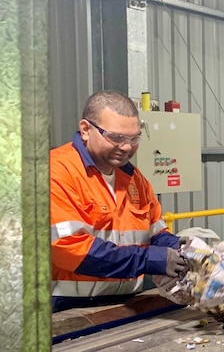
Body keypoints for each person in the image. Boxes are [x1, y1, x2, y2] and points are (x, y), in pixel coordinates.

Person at [50, 90, 187, 312]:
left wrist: (183, 250)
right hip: (68, 309)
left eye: (134, 139)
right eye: (116, 137)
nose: (126, 147)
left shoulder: (134, 179)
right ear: (86, 130)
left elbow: (155, 233)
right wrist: (148, 260)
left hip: (127, 306)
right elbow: (69, 249)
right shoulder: (56, 172)